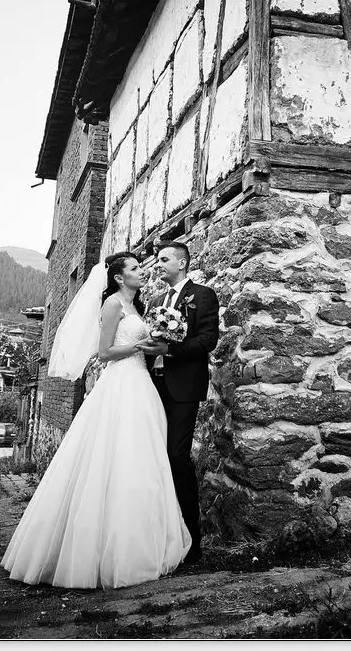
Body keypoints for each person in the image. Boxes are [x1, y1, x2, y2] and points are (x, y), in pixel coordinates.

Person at [1, 252, 191, 589]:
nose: (142, 271)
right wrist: (141, 346)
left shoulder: (139, 306)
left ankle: (139, 538)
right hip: (121, 383)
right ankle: (100, 548)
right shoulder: (113, 304)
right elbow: (104, 353)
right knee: (112, 454)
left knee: (140, 459)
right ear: (119, 277)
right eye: (134, 268)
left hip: (141, 384)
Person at [137, 241, 220, 566]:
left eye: (164, 259)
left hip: (183, 388)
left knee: (176, 457)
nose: (158, 265)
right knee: (153, 458)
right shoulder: (156, 301)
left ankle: (191, 540)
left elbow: (207, 340)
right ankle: (160, 535)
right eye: (157, 260)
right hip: (153, 387)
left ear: (182, 263)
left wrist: (169, 350)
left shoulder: (202, 295)